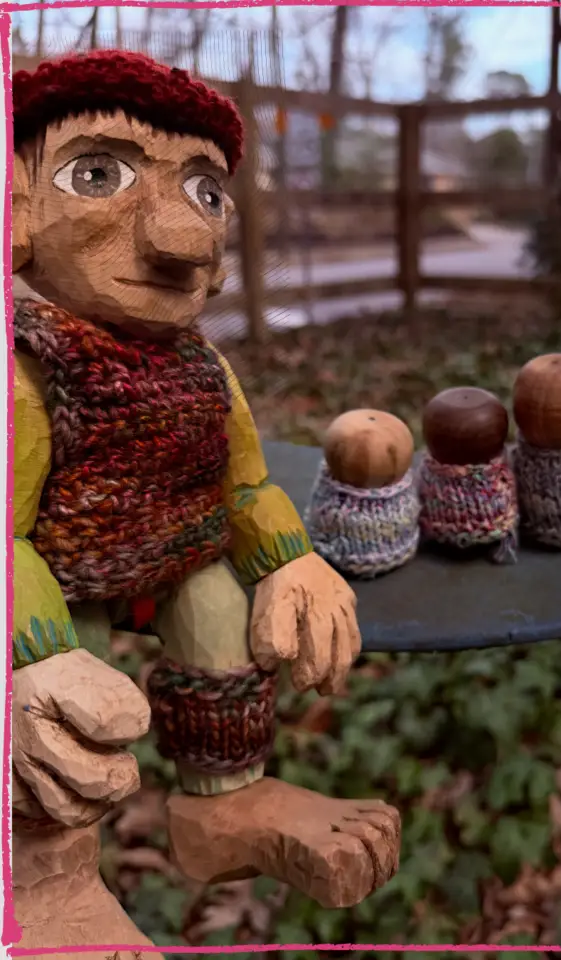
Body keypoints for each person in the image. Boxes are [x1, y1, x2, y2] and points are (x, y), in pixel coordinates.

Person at [11, 49, 399, 954]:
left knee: (222, 611)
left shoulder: (204, 369)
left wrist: (292, 559)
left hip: (174, 558)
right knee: (69, 707)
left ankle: (225, 801)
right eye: (97, 175)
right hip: (53, 583)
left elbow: (245, 484)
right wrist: (28, 653)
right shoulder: (25, 373)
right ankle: (46, 870)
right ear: (17, 206)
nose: (182, 240)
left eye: (205, 193)